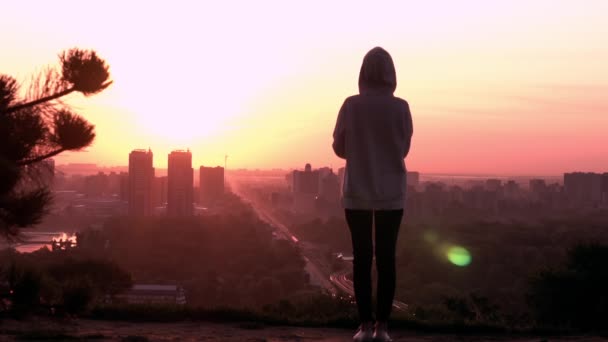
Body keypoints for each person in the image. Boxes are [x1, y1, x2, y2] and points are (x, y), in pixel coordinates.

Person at [332, 47, 413, 342]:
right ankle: (383, 328)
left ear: (362, 73)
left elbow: (340, 149)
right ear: (392, 74)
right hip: (392, 192)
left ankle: (364, 327)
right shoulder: (401, 107)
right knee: (387, 258)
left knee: (362, 259)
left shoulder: (351, 106)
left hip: (357, 190)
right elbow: (403, 149)